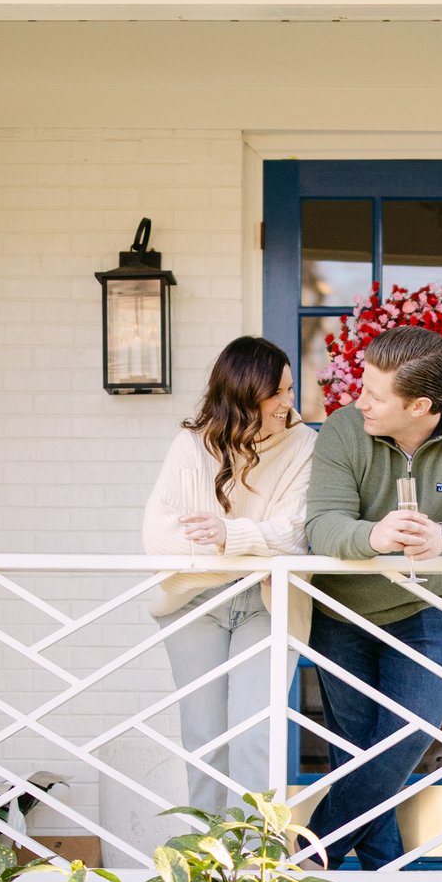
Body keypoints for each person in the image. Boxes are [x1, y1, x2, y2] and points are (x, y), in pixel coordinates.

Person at [303, 325, 442, 882]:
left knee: (406, 739)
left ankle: (308, 856)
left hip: (430, 609)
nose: (361, 401)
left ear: (421, 405)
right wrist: (374, 538)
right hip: (343, 615)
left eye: (376, 395)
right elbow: (321, 524)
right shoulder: (342, 430)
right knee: (357, 752)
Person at [140, 335, 317, 813]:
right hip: (195, 605)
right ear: (243, 393)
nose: (288, 401)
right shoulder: (191, 446)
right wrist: (252, 542)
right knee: (205, 739)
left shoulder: (304, 445)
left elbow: (295, 535)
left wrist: (225, 534)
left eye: (289, 389)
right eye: (277, 392)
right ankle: (208, 868)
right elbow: (160, 540)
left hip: (268, 602)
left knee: (255, 733)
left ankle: (258, 863)